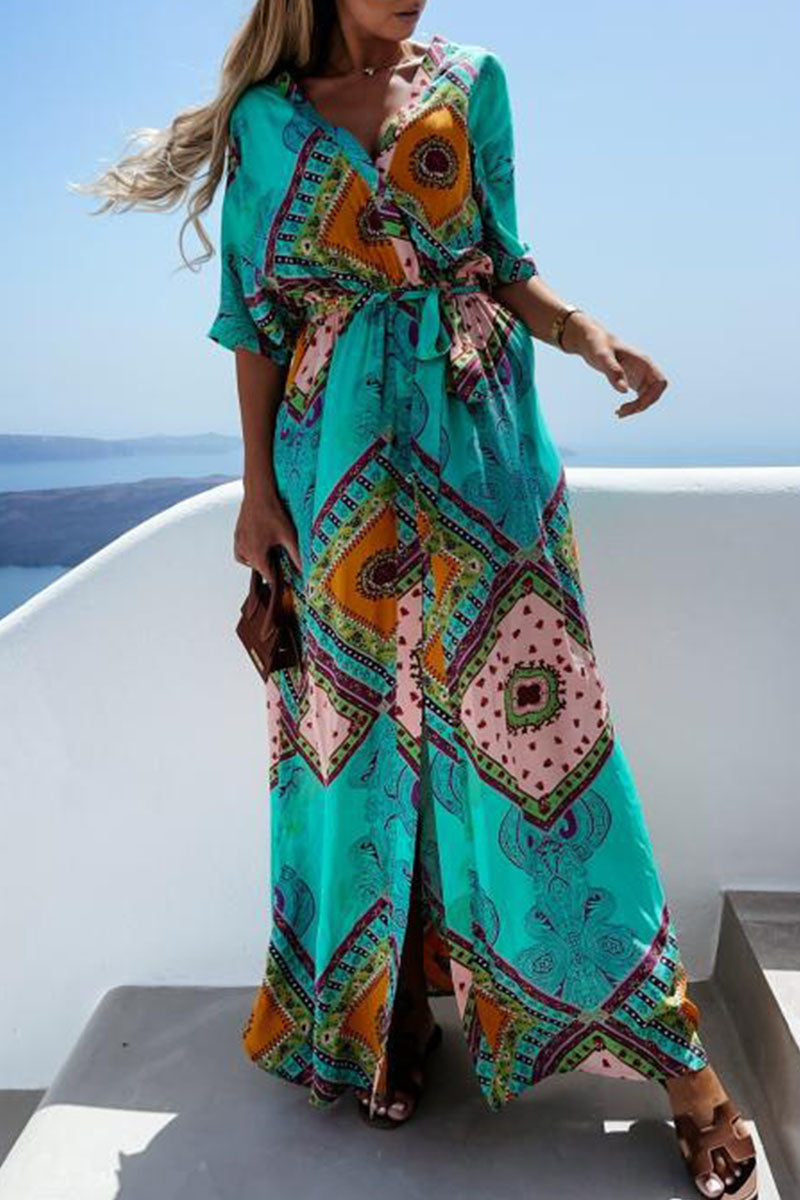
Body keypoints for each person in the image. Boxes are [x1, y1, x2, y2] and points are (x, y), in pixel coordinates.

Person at [75, 3, 757, 1197]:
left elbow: (503, 260)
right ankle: (384, 1016)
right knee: (350, 743)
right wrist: (255, 491)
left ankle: (679, 1067)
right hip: (332, 465)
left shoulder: (471, 81)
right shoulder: (267, 121)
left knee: (544, 747)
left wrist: (586, 334)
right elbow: (253, 319)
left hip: (482, 447)